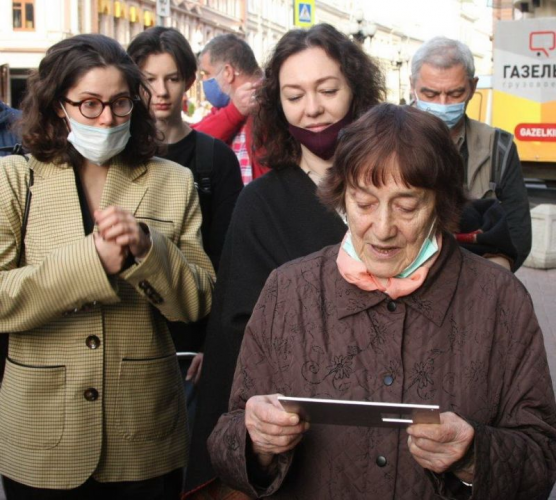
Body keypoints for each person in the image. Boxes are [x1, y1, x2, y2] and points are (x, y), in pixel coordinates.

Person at [208, 103, 556, 499]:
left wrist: (474, 455)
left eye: (407, 206)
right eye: (364, 202)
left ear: (440, 205)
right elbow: (226, 440)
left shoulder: (500, 300)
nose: (383, 228)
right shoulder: (289, 290)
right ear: (342, 198)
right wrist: (257, 442)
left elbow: (541, 459)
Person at [0, 34, 214, 498]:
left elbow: (198, 301)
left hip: (142, 431)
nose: (107, 118)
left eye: (120, 103)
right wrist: (90, 261)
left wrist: (148, 249)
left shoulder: (173, 181)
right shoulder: (17, 178)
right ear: (59, 104)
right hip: (41, 434)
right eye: (90, 105)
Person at [185, 23, 385, 494]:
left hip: (392, 422)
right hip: (299, 438)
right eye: (294, 95)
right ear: (278, 105)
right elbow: (237, 331)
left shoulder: (395, 188)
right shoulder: (260, 204)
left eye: (328, 90)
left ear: (356, 91)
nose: (312, 109)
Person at [127, 26, 243, 427]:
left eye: (172, 79)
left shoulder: (215, 159)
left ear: (189, 82)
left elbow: (226, 259)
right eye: (148, 79)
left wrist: (216, 344)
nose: (160, 91)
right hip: (131, 340)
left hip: (191, 346)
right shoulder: (116, 157)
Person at [410, 36, 531, 271]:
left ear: (473, 87)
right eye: (431, 94)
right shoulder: (384, 139)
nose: (443, 104)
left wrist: (489, 282)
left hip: (477, 281)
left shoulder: (498, 147)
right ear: (412, 85)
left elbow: (518, 234)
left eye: (454, 94)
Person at [195, 33, 269, 185]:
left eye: (206, 73)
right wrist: (235, 111)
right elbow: (196, 141)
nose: (204, 80)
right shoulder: (228, 106)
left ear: (228, 72)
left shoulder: (272, 102)